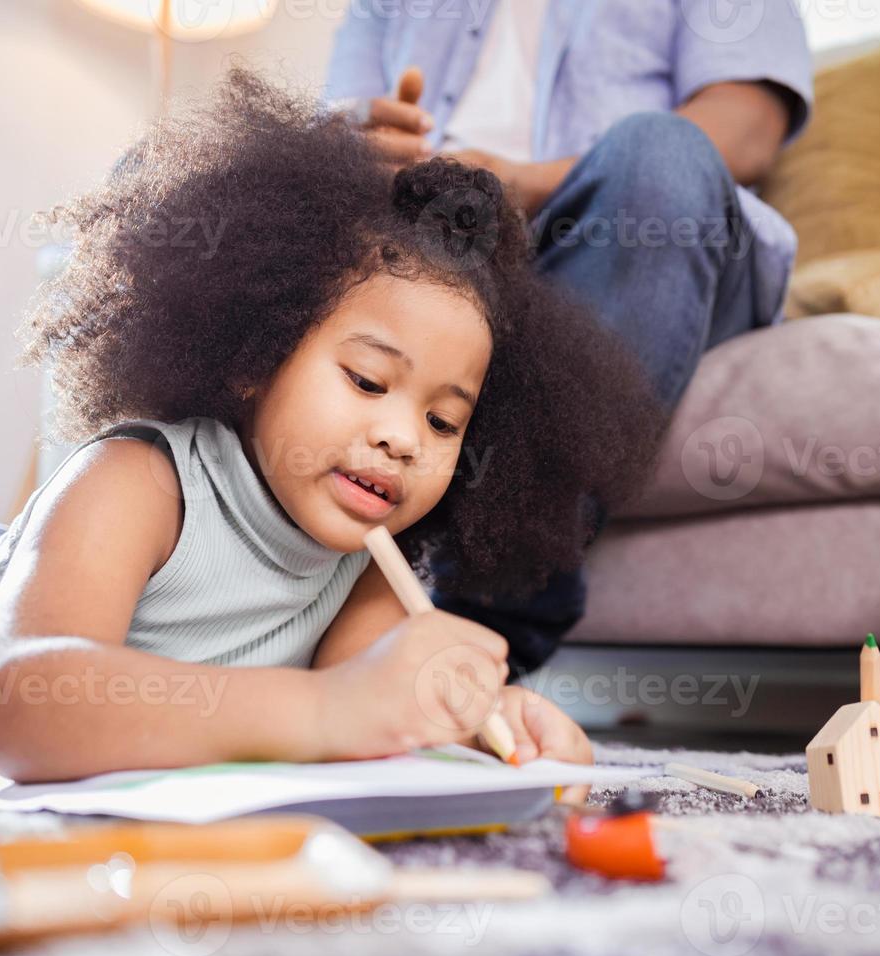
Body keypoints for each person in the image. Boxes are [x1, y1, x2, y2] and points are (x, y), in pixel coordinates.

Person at [0, 69, 665, 780]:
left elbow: (373, 714)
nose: (404, 437)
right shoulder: (138, 482)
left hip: (19, 562)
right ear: (256, 352)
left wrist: (485, 723)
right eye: (367, 380)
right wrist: (332, 709)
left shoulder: (372, 554)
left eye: (443, 421)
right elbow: (14, 706)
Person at [327, 0, 813, 672]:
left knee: (659, 153)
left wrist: (523, 186)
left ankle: (487, 613)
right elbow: (343, 118)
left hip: (625, 232)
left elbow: (750, 124)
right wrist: (365, 146)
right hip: (440, 251)